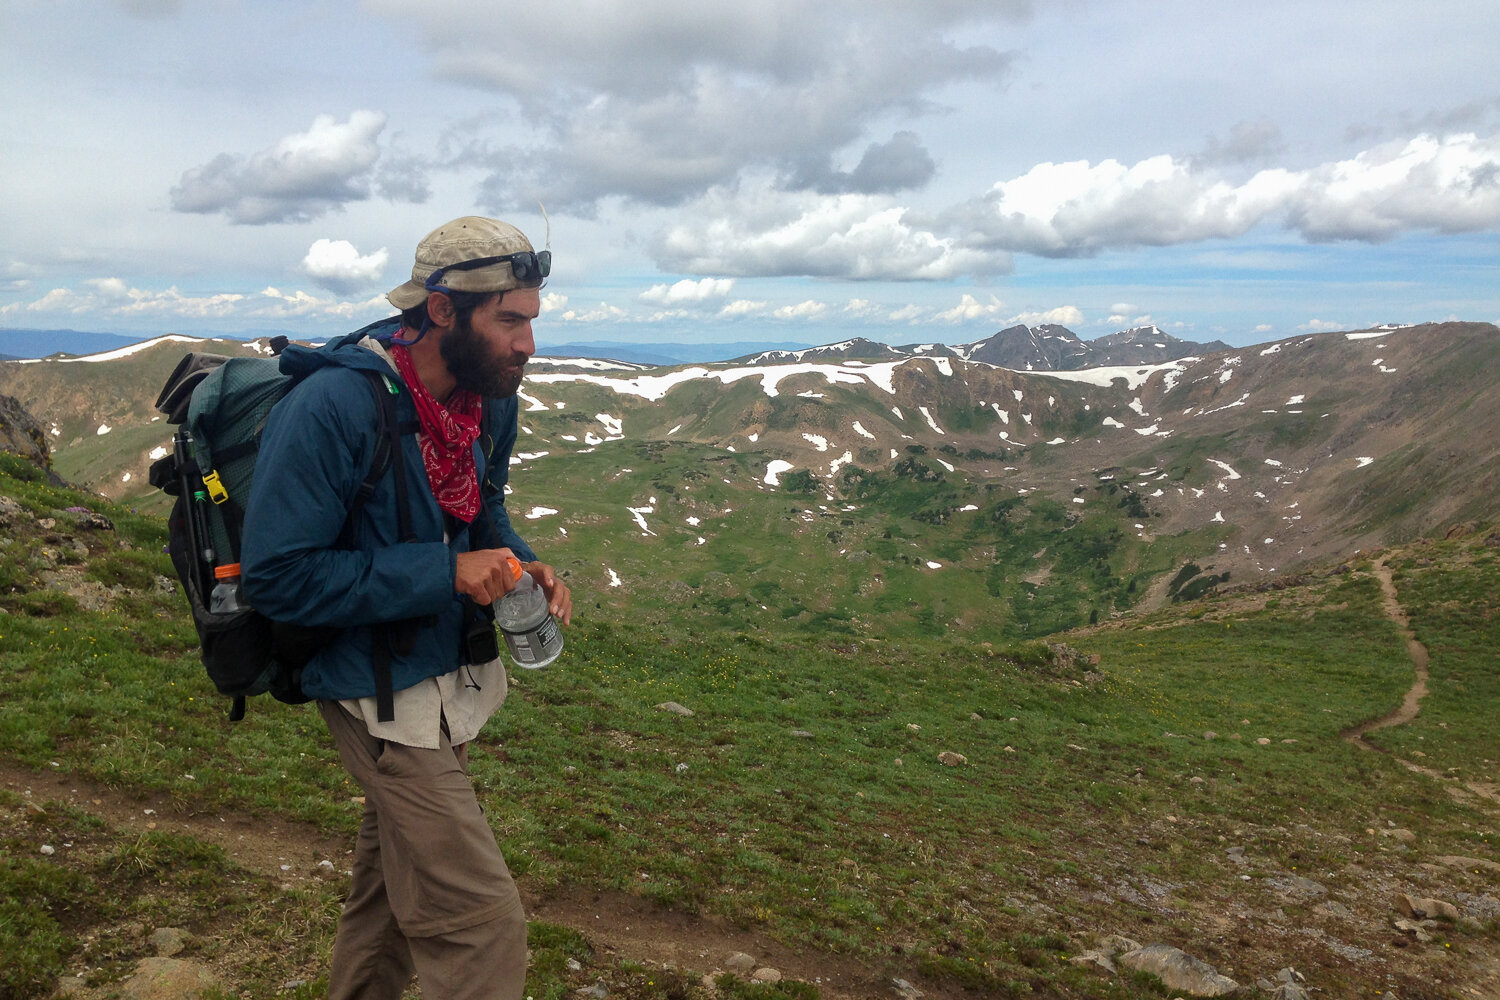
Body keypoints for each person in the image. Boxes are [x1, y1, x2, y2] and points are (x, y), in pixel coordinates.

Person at [241, 215, 573, 1000]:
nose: (528, 344)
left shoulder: (485, 402)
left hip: (440, 676)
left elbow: (480, 511)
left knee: (387, 898)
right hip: (374, 691)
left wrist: (520, 560)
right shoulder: (335, 406)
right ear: (443, 309)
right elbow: (279, 579)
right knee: (481, 924)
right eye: (510, 320)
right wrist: (450, 574)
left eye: (532, 320)